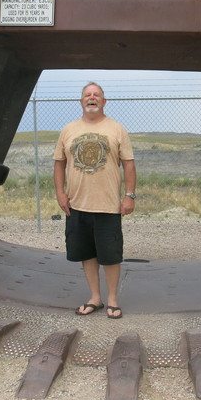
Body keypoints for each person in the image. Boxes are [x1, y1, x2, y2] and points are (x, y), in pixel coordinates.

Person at [53, 82, 136, 319]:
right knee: (87, 254)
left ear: (104, 101)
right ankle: (95, 298)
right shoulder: (68, 129)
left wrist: (129, 196)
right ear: (81, 101)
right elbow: (59, 163)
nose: (92, 98)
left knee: (110, 255)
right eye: (87, 95)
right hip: (77, 204)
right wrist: (60, 193)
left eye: (96, 95)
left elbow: (129, 164)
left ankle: (112, 300)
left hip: (108, 205)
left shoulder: (117, 129)